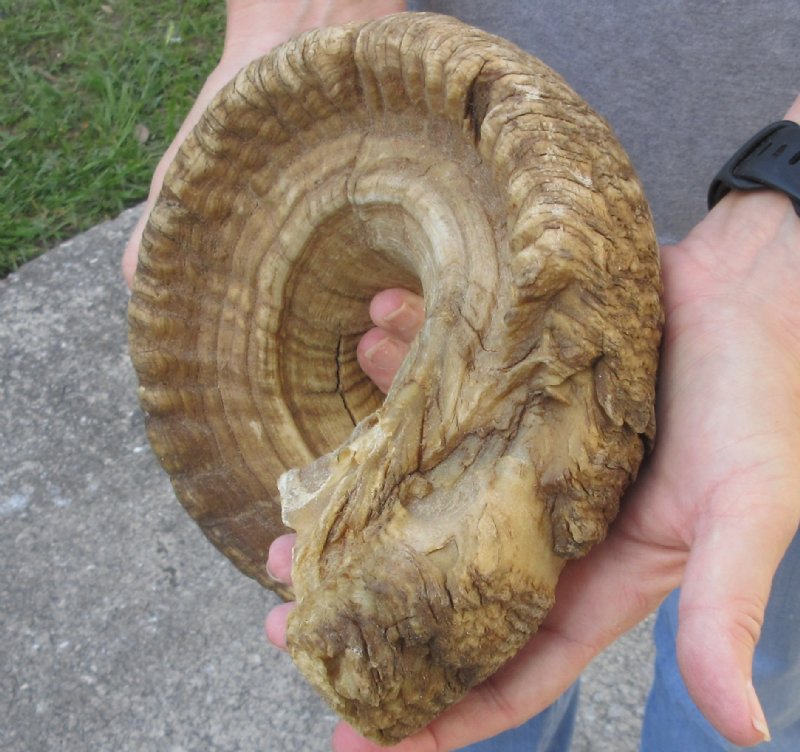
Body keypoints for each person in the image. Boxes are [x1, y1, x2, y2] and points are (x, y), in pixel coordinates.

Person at [123, 2, 800, 750]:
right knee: (464, 658)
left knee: (747, 661)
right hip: (437, 137)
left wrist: (780, 249)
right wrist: (298, 17)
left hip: (774, 299)